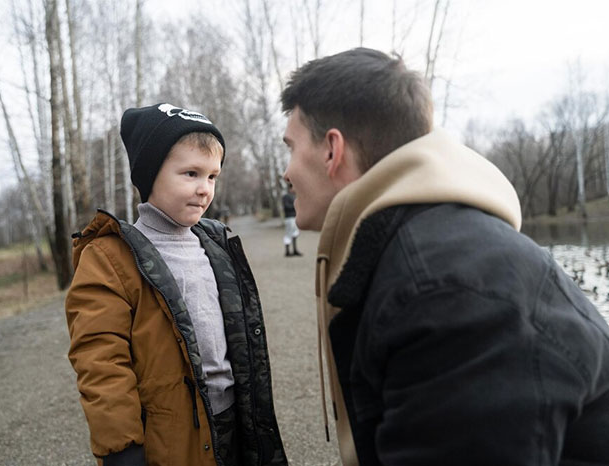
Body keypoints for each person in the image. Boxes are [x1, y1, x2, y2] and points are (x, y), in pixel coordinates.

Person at [281, 48, 609, 466]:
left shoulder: (447, 289)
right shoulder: (421, 248)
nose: (286, 172)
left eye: (290, 147)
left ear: (332, 150)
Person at [65, 103, 287, 466]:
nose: (204, 190)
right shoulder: (110, 257)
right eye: (191, 173)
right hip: (171, 435)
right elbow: (100, 359)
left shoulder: (215, 243)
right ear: (150, 175)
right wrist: (122, 448)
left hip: (234, 419)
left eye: (212, 177)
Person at [281, 183, 302, 257]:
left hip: (294, 217)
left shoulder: (294, 196)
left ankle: (295, 250)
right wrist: (296, 206)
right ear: (290, 188)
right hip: (289, 218)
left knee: (295, 233)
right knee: (288, 234)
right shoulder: (286, 197)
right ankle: (287, 251)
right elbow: (286, 206)